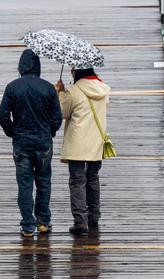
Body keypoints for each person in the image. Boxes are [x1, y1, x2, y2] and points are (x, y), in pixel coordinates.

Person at [0, 49, 63, 237]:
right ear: (38, 67)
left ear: (21, 67)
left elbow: (3, 115)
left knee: (25, 183)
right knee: (44, 181)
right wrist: (50, 131)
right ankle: (43, 221)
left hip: (22, 142)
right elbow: (57, 118)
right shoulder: (48, 88)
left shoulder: (12, 87)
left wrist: (12, 132)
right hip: (43, 142)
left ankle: (28, 225)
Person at [55, 68, 111, 235]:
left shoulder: (74, 90)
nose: (71, 73)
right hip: (96, 141)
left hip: (78, 143)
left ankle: (80, 221)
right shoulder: (103, 88)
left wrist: (60, 93)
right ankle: (94, 217)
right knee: (93, 178)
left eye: (73, 71)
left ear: (77, 73)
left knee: (77, 180)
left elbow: (62, 113)